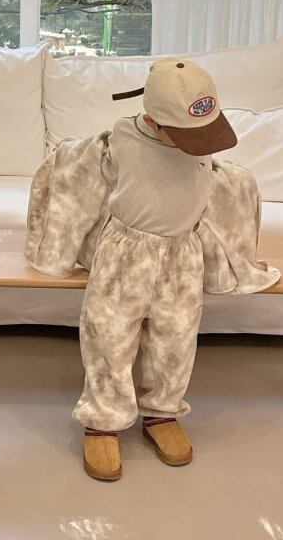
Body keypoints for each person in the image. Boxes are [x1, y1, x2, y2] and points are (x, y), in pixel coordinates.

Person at [75, 58, 238, 482]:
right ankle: (103, 419)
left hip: (182, 254)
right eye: (187, 135)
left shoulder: (200, 141)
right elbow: (94, 180)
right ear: (151, 119)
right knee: (109, 335)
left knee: (175, 337)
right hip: (126, 254)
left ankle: (162, 411)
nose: (198, 145)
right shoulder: (124, 136)